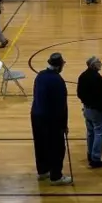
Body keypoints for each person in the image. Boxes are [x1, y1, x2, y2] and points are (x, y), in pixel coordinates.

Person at [30, 53, 72, 185]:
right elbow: (61, 106)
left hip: (36, 115)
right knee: (57, 148)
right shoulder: (58, 81)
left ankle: (43, 171)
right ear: (59, 66)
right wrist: (64, 125)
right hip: (51, 119)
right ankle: (56, 176)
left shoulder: (40, 75)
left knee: (40, 144)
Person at [77, 56, 102, 168]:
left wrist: (85, 103)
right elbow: (101, 96)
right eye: (98, 62)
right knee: (99, 133)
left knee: (90, 132)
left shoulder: (82, 76)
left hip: (87, 108)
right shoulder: (98, 78)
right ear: (93, 65)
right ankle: (95, 159)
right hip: (97, 110)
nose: (101, 63)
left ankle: (90, 154)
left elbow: (79, 93)